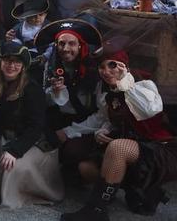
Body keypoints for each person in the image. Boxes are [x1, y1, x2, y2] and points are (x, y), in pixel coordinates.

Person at [57, 50, 176, 219]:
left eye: (112, 65)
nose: (106, 71)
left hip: (160, 149)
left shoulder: (144, 85)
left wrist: (126, 82)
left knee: (118, 147)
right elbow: (108, 121)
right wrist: (101, 132)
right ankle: (138, 189)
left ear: (124, 67)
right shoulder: (111, 96)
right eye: (102, 67)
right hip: (135, 150)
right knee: (86, 168)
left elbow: (149, 110)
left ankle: (96, 211)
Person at [0, 41, 64, 208]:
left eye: (17, 62)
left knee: (13, 165)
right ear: (0, 63)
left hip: (36, 142)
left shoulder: (32, 89)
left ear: (23, 66)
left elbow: (36, 127)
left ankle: (16, 193)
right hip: (9, 136)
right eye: (7, 61)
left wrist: (15, 151)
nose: (11, 65)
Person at [36, 19, 102, 145]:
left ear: (80, 45)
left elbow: (100, 112)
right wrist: (55, 92)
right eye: (61, 43)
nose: (65, 49)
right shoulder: (51, 66)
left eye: (71, 43)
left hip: (87, 122)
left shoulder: (94, 69)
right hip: (59, 119)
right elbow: (47, 103)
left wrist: (70, 131)